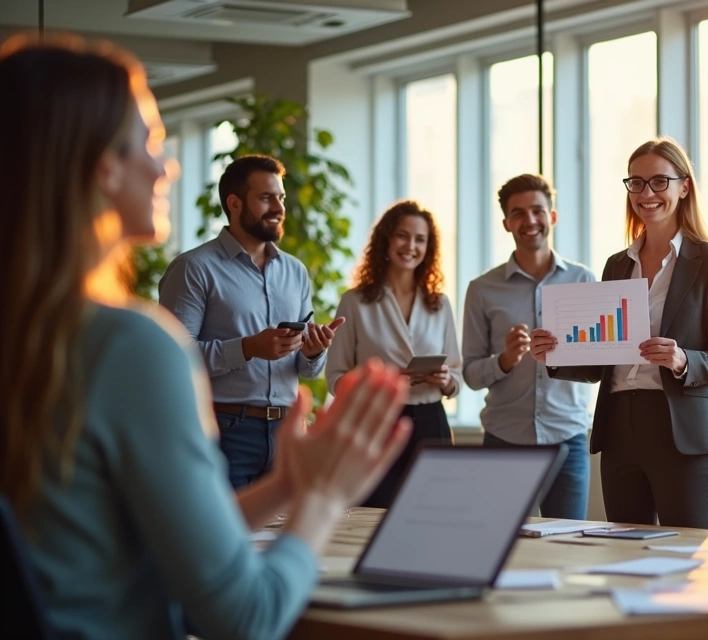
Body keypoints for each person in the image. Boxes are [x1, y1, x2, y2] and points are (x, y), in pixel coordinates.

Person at [0, 34, 412, 640]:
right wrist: (324, 495)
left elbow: (132, 548)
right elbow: (246, 617)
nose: (165, 166)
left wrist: (288, 484)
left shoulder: (33, 335)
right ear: (103, 168)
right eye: (152, 143)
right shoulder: (129, 347)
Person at [531, 137, 708, 530]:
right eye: (637, 183)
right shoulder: (616, 265)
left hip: (681, 429)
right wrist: (555, 356)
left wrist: (682, 359)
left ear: (684, 186)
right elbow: (603, 361)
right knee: (625, 557)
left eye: (660, 182)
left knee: (687, 554)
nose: (647, 193)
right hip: (619, 428)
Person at [159, 154, 346, 490]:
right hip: (224, 432)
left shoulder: (296, 271)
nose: (279, 207)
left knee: (285, 536)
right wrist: (247, 348)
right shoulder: (194, 269)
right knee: (225, 540)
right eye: (266, 198)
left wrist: (314, 352)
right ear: (234, 203)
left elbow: (306, 370)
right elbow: (174, 360)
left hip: (289, 430)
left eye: (281, 197)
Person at [462, 174, 596, 519]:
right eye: (518, 213)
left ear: (552, 216)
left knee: (567, 547)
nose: (529, 220)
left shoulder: (584, 281)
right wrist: (504, 360)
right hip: (504, 440)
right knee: (499, 547)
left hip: (568, 439)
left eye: (537, 210)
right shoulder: (482, 289)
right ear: (507, 223)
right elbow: (471, 375)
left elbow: (600, 365)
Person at [328, 200, 462, 508]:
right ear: (386, 239)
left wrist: (445, 379)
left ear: (428, 248)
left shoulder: (439, 304)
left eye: (420, 239)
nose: (410, 246)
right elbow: (336, 379)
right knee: (372, 515)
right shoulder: (354, 302)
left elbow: (456, 376)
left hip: (431, 423)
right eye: (402, 235)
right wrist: (383, 379)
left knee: (433, 514)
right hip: (377, 421)